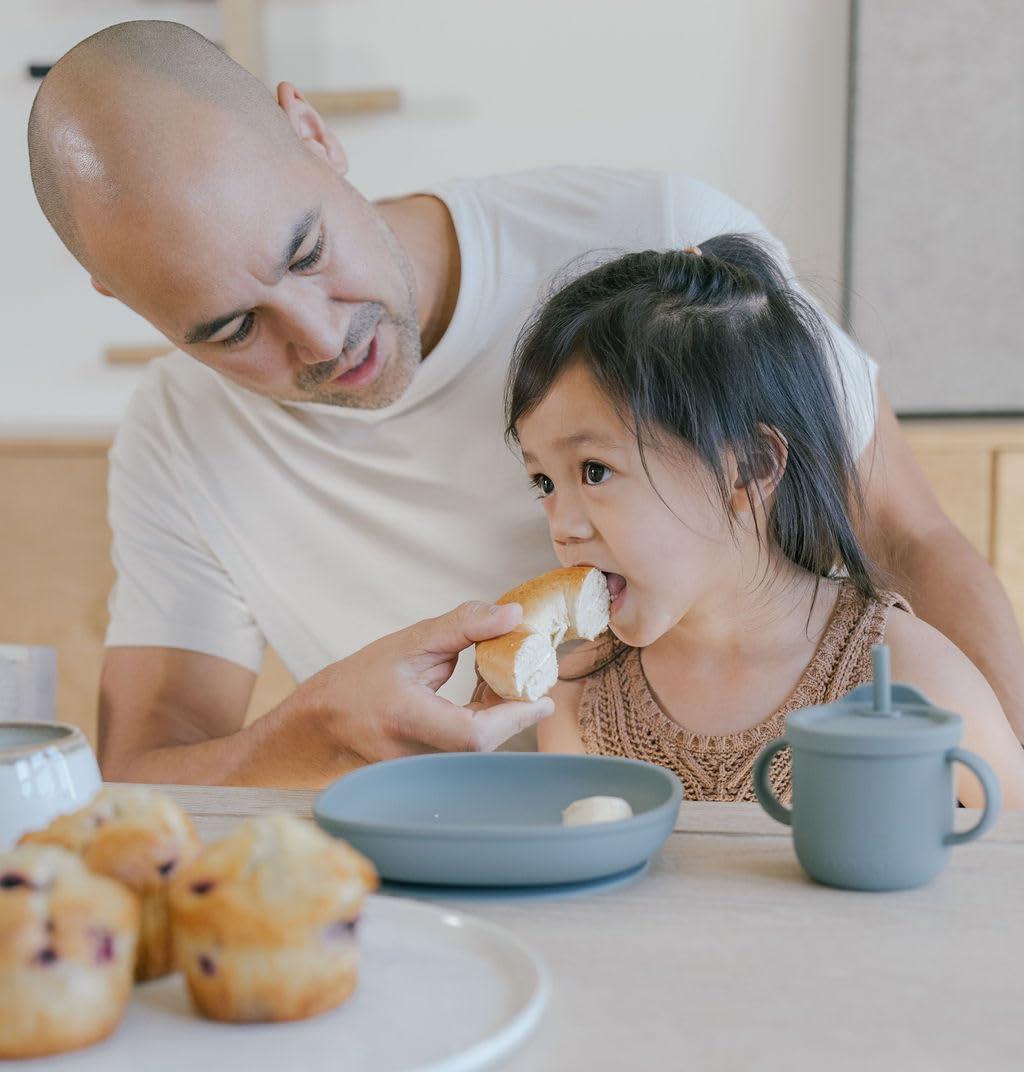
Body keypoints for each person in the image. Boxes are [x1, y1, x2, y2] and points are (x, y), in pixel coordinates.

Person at [25, 20, 1024, 788]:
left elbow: (909, 537)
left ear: (314, 132)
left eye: (307, 252)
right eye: (230, 329)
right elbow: (140, 778)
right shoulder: (177, 438)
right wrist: (315, 727)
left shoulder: (656, 249)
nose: (322, 338)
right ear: (134, 306)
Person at [499, 236, 1024, 807]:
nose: (563, 525)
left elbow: (1012, 843)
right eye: (544, 483)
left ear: (748, 468)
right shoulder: (578, 699)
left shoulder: (900, 670)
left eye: (595, 471)